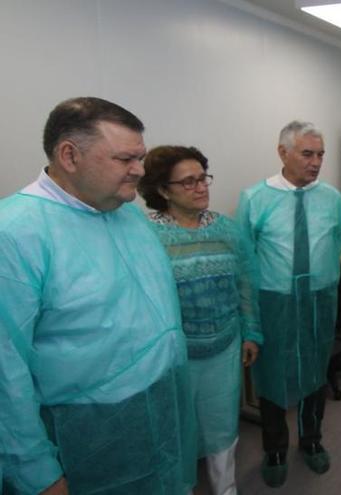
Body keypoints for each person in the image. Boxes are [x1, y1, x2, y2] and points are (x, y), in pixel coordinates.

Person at [0, 97, 196, 494]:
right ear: (69, 156)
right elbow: (6, 372)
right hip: (90, 434)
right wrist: (36, 472)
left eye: (140, 158)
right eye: (126, 159)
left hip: (164, 407)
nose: (139, 171)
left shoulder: (126, 214)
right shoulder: (16, 234)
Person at [138, 145, 263, 495]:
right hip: (175, 354)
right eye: (188, 182)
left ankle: (226, 489)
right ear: (163, 190)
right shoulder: (147, 235)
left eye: (203, 178)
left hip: (224, 346)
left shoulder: (227, 229)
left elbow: (246, 282)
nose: (201, 187)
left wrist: (251, 332)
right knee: (176, 428)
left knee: (222, 424)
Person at [236, 121, 341, 487]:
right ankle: (275, 449)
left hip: (318, 300)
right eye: (307, 154)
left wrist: (325, 290)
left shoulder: (331, 197)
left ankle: (311, 442)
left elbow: (335, 244)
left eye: (320, 155)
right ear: (283, 152)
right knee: (273, 377)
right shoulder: (255, 198)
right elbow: (246, 263)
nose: (316, 163)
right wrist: (249, 321)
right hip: (275, 301)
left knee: (315, 371)